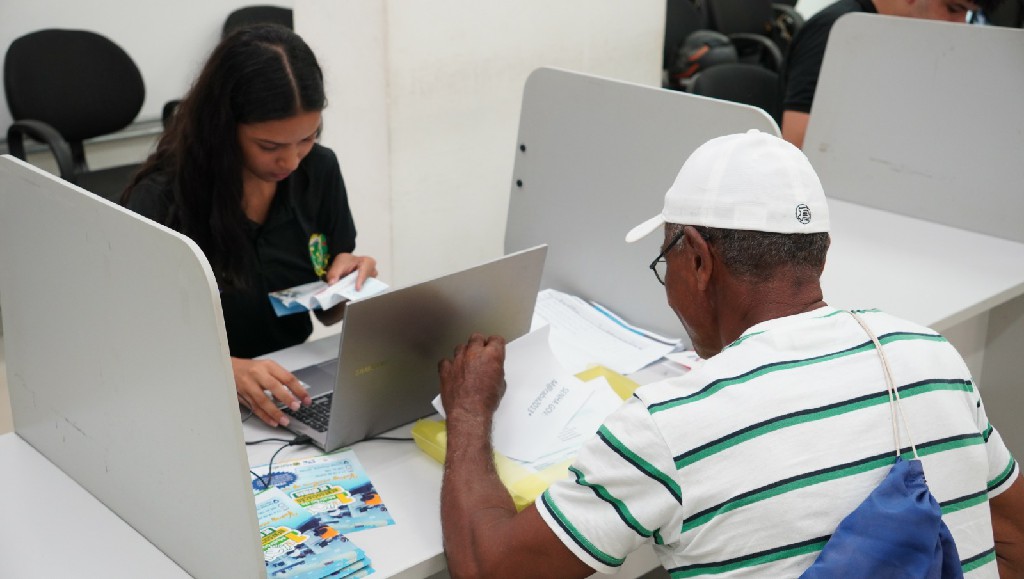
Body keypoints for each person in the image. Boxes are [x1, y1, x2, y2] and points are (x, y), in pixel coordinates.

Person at [436, 130, 1024, 577]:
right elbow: (1013, 531)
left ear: (697, 258)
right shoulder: (931, 358)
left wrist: (467, 413)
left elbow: (490, 568)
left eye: (666, 258)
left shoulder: (667, 427)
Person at [122, 25, 377, 428]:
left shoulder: (320, 171)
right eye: (269, 147)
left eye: (307, 138)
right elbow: (136, 339)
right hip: (190, 397)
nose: (291, 162)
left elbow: (327, 315)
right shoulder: (163, 200)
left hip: (289, 385)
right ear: (223, 128)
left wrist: (346, 287)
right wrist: (226, 370)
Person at [781, 0, 995, 149]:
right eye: (953, 8)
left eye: (968, 14)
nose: (961, 24)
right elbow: (796, 141)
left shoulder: (912, 36)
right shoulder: (836, 30)